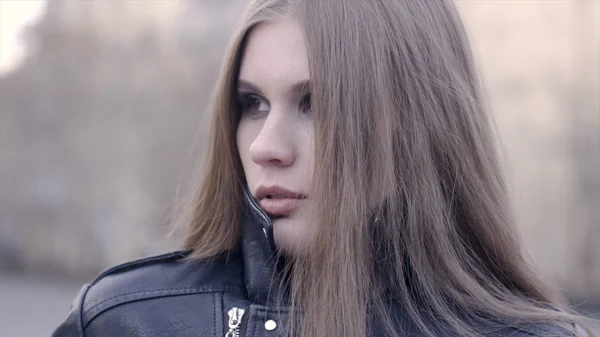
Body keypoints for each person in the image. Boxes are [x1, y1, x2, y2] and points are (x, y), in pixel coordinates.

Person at [52, 0, 592, 336]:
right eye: (252, 103)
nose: (266, 146)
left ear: (420, 123)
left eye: (316, 103)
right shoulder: (130, 319)